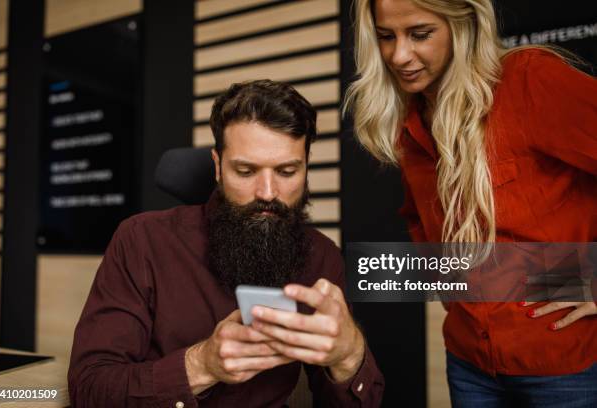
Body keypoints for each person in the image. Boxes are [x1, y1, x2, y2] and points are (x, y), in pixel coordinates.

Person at [68, 79, 384, 407]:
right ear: (218, 167)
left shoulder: (322, 257)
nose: (267, 192)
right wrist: (201, 364)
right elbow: (89, 387)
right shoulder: (142, 240)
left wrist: (348, 357)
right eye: (246, 171)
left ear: (305, 168)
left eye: (287, 171)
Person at [344, 0, 596, 406]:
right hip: (467, 361)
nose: (399, 55)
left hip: (561, 363)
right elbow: (418, 217)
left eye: (420, 34)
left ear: (463, 25)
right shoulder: (410, 119)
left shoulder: (529, 79)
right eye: (386, 36)